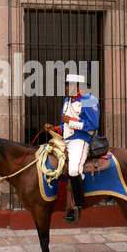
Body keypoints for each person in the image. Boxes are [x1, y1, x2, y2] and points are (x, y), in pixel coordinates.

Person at [44, 74, 100, 224]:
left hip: (80, 141)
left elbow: (93, 125)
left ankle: (78, 205)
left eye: (70, 85)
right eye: (67, 84)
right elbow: (64, 126)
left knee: (74, 170)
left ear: (80, 87)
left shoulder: (90, 101)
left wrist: (72, 121)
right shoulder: (67, 101)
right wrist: (54, 128)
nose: (67, 87)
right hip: (66, 140)